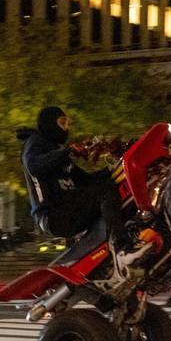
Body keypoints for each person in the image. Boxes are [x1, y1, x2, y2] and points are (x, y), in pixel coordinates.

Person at [17, 106, 133, 255]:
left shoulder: (62, 157)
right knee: (104, 192)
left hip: (68, 206)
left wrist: (117, 162)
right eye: (62, 123)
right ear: (50, 123)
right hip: (52, 214)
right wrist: (68, 151)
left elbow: (87, 181)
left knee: (109, 187)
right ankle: (121, 247)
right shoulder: (34, 142)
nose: (67, 128)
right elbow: (34, 165)